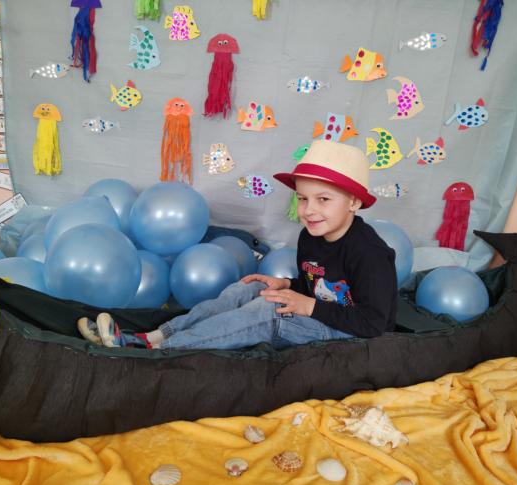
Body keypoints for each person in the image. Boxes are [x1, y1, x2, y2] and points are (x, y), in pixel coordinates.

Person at [77, 140, 397, 350]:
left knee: (269, 311)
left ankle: (160, 349)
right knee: (249, 289)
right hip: (323, 312)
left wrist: (308, 306)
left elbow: (373, 322)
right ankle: (155, 335)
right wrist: (288, 284)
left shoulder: (369, 253)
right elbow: (321, 282)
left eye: (323, 199)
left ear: (353, 202)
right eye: (303, 199)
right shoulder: (311, 236)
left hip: (347, 332)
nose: (309, 210)